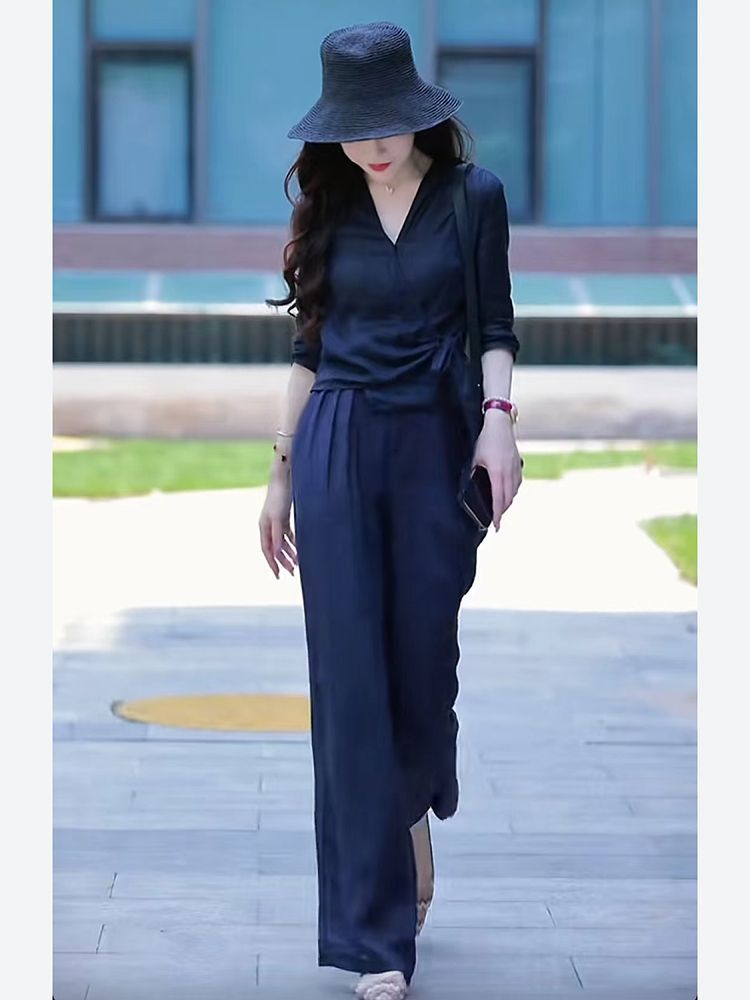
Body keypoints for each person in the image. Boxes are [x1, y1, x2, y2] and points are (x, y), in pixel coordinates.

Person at [260, 21, 523, 1000]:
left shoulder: (472, 197)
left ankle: (414, 801)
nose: (372, 143)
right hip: (336, 444)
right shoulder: (327, 207)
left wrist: (498, 425)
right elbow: (308, 353)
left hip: (434, 448)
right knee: (349, 691)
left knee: (421, 674)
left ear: (419, 114)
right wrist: (280, 474)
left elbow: (495, 326)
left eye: (387, 123)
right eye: (354, 126)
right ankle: (375, 940)